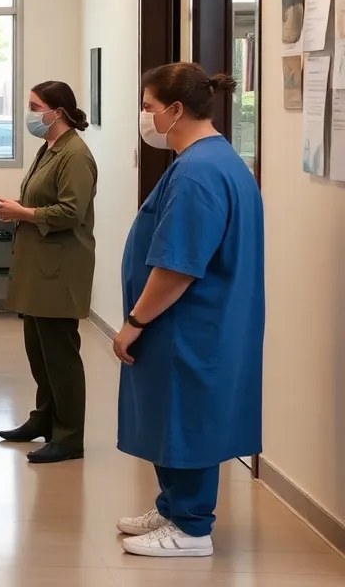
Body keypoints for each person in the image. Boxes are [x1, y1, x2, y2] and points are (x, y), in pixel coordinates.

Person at [113, 63, 263, 559]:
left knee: (187, 418)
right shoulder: (212, 160)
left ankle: (192, 528)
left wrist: (134, 321)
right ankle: (175, 506)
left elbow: (178, 267)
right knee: (171, 414)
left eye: (150, 107)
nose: (145, 116)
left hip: (188, 322)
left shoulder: (199, 172)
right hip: (191, 321)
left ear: (176, 110)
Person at [0, 81, 97, 465]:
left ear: (57, 111)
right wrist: (20, 205)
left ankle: (69, 436)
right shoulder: (49, 148)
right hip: (40, 266)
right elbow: (45, 199)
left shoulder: (75, 155)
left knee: (61, 356)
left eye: (36, 107)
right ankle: (45, 419)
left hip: (61, 268)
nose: (31, 114)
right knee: (40, 351)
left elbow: (71, 211)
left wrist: (23, 213)